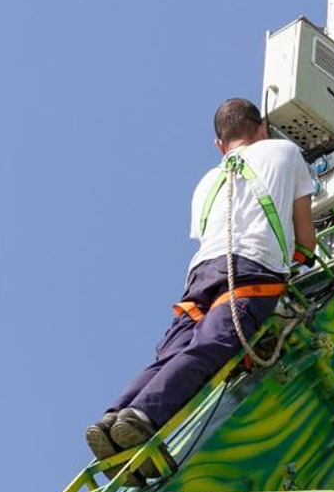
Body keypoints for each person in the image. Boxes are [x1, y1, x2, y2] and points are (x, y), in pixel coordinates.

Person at [86, 97, 316, 460]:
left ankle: (113, 416)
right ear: (262, 129)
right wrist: (301, 257)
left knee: (171, 353)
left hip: (202, 274)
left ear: (219, 145)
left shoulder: (206, 182)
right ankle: (143, 414)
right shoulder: (285, 152)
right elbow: (306, 238)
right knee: (210, 347)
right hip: (251, 270)